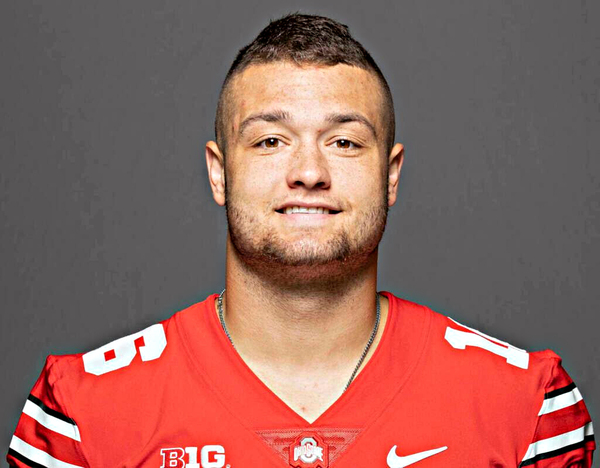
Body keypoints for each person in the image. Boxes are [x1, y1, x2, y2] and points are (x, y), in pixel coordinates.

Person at [6, 13, 595, 468]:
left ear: (390, 176)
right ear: (219, 172)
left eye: (345, 142)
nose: (309, 172)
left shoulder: (525, 405)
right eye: (270, 141)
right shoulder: (83, 411)